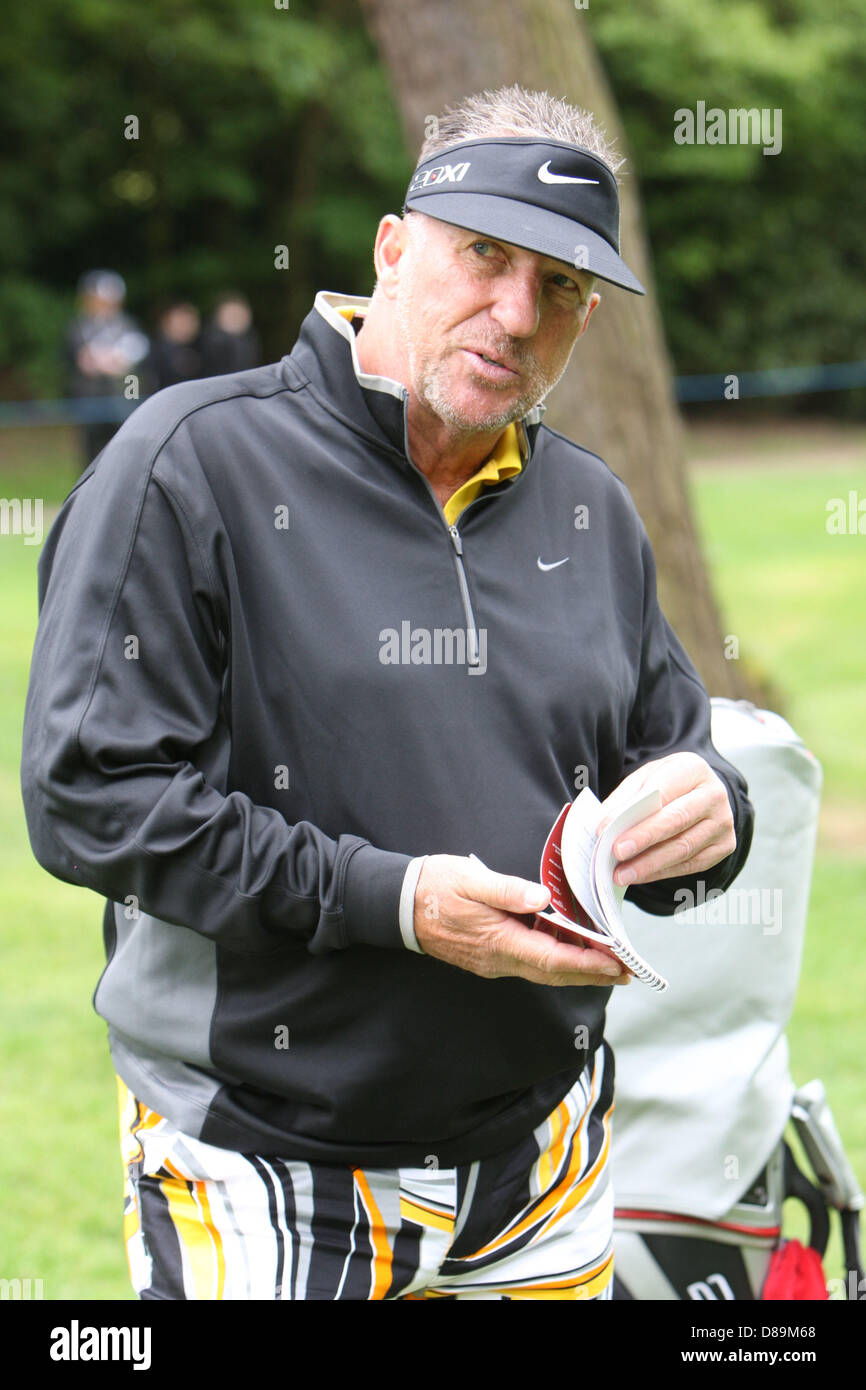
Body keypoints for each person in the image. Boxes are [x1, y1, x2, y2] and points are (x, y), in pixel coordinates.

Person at [21, 85, 753, 1301]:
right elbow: (91, 799)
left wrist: (709, 813)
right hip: (266, 1158)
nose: (515, 315)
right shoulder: (185, 461)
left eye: (562, 288)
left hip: (545, 1155)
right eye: (484, 256)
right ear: (393, 247)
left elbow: (669, 764)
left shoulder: (590, 507)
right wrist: (399, 902)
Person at [63, 269, 150, 469]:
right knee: (91, 451)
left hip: (125, 398)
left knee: (124, 447)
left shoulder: (128, 325)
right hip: (90, 399)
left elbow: (134, 362)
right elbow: (82, 361)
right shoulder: (79, 327)